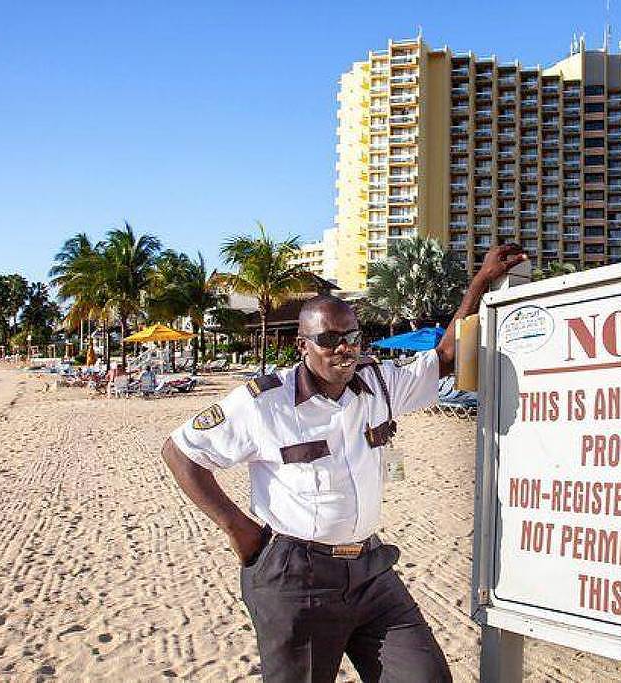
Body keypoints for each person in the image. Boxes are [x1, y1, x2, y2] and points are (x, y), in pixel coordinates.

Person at [161, 243, 527, 682]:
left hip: (371, 571)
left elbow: (445, 358)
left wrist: (480, 283)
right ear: (303, 345)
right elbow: (181, 451)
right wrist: (240, 530)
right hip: (297, 579)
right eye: (329, 339)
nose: (344, 349)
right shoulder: (263, 404)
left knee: (424, 676)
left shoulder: (380, 384)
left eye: (352, 337)